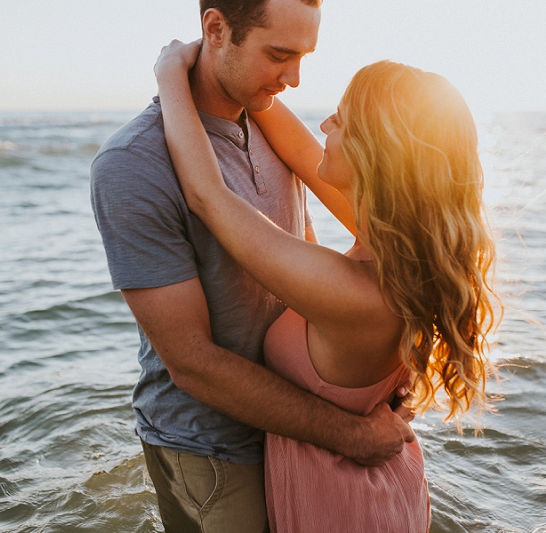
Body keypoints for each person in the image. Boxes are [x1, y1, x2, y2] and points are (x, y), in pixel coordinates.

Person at [90, 1, 414, 531]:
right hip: (215, 452)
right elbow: (191, 362)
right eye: (280, 55)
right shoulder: (133, 165)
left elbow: (288, 242)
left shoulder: (269, 127)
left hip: (307, 438)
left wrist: (364, 391)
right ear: (215, 29)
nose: (294, 80)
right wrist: (353, 425)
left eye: (304, 56)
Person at [154, 39, 502, 531]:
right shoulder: (402, 256)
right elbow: (299, 149)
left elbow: (208, 197)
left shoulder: (356, 292)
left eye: (339, 121)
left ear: (374, 153)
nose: (323, 127)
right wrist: (249, 75)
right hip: (375, 490)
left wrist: (169, 72)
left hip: (344, 508)